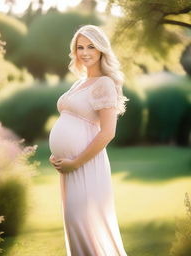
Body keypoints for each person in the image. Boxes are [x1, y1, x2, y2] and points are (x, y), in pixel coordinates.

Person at [48, 24, 129, 256]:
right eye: (80, 47)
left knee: (86, 224)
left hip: (86, 166)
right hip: (70, 167)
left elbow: (107, 132)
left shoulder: (105, 83)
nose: (85, 52)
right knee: (75, 226)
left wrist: (76, 162)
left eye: (91, 46)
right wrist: (60, 155)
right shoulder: (79, 83)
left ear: (102, 49)